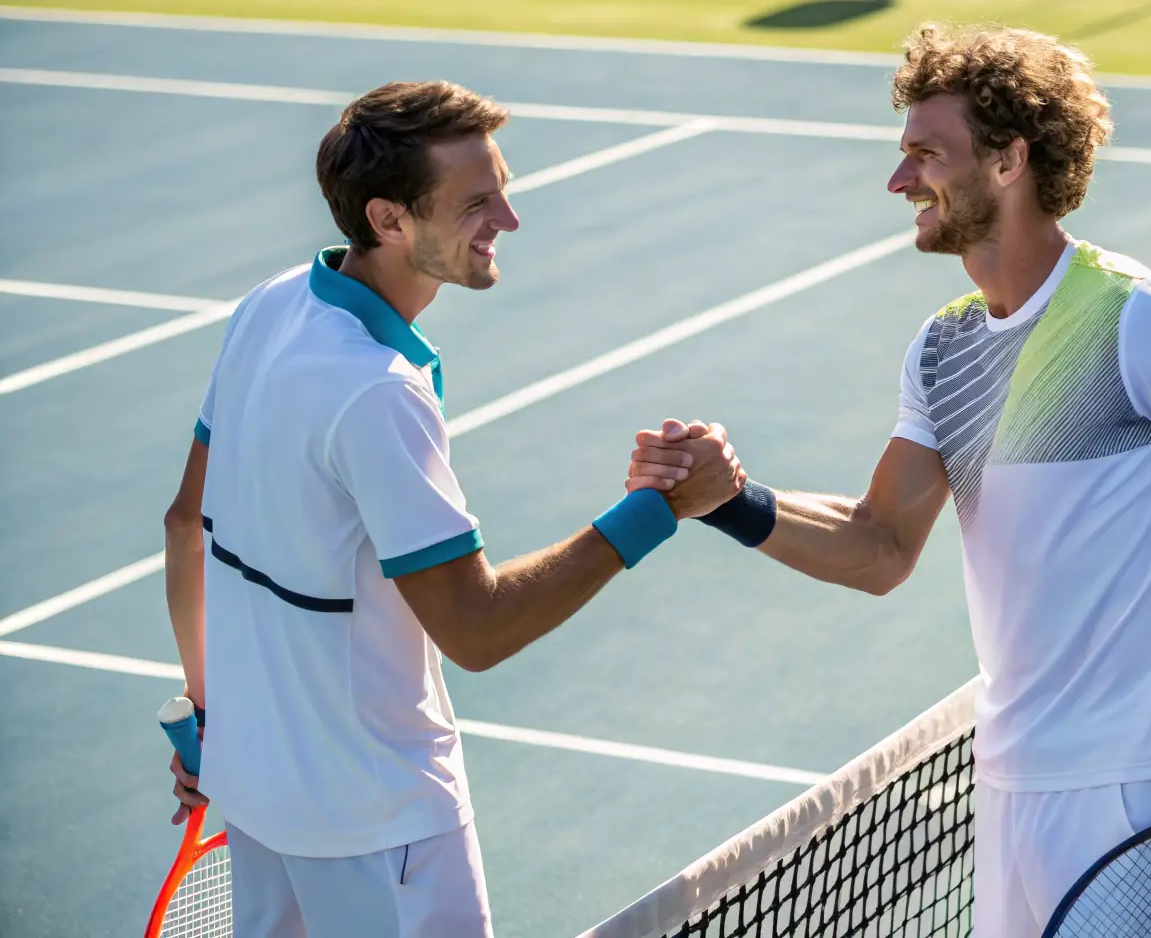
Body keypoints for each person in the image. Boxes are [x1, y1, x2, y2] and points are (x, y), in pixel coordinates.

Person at [628, 25, 1151, 936]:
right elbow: (877, 547)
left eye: (926, 154)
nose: (899, 180)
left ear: (1007, 161)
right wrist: (729, 503)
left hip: (1138, 788)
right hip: (1008, 782)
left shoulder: (1137, 317)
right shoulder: (944, 346)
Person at [161, 80, 745, 937]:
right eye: (476, 202)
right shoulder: (377, 394)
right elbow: (476, 631)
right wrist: (656, 511)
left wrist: (214, 713)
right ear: (390, 220)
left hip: (257, 799)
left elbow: (185, 523)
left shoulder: (271, 305)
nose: (507, 219)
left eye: (502, 189)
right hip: (381, 823)